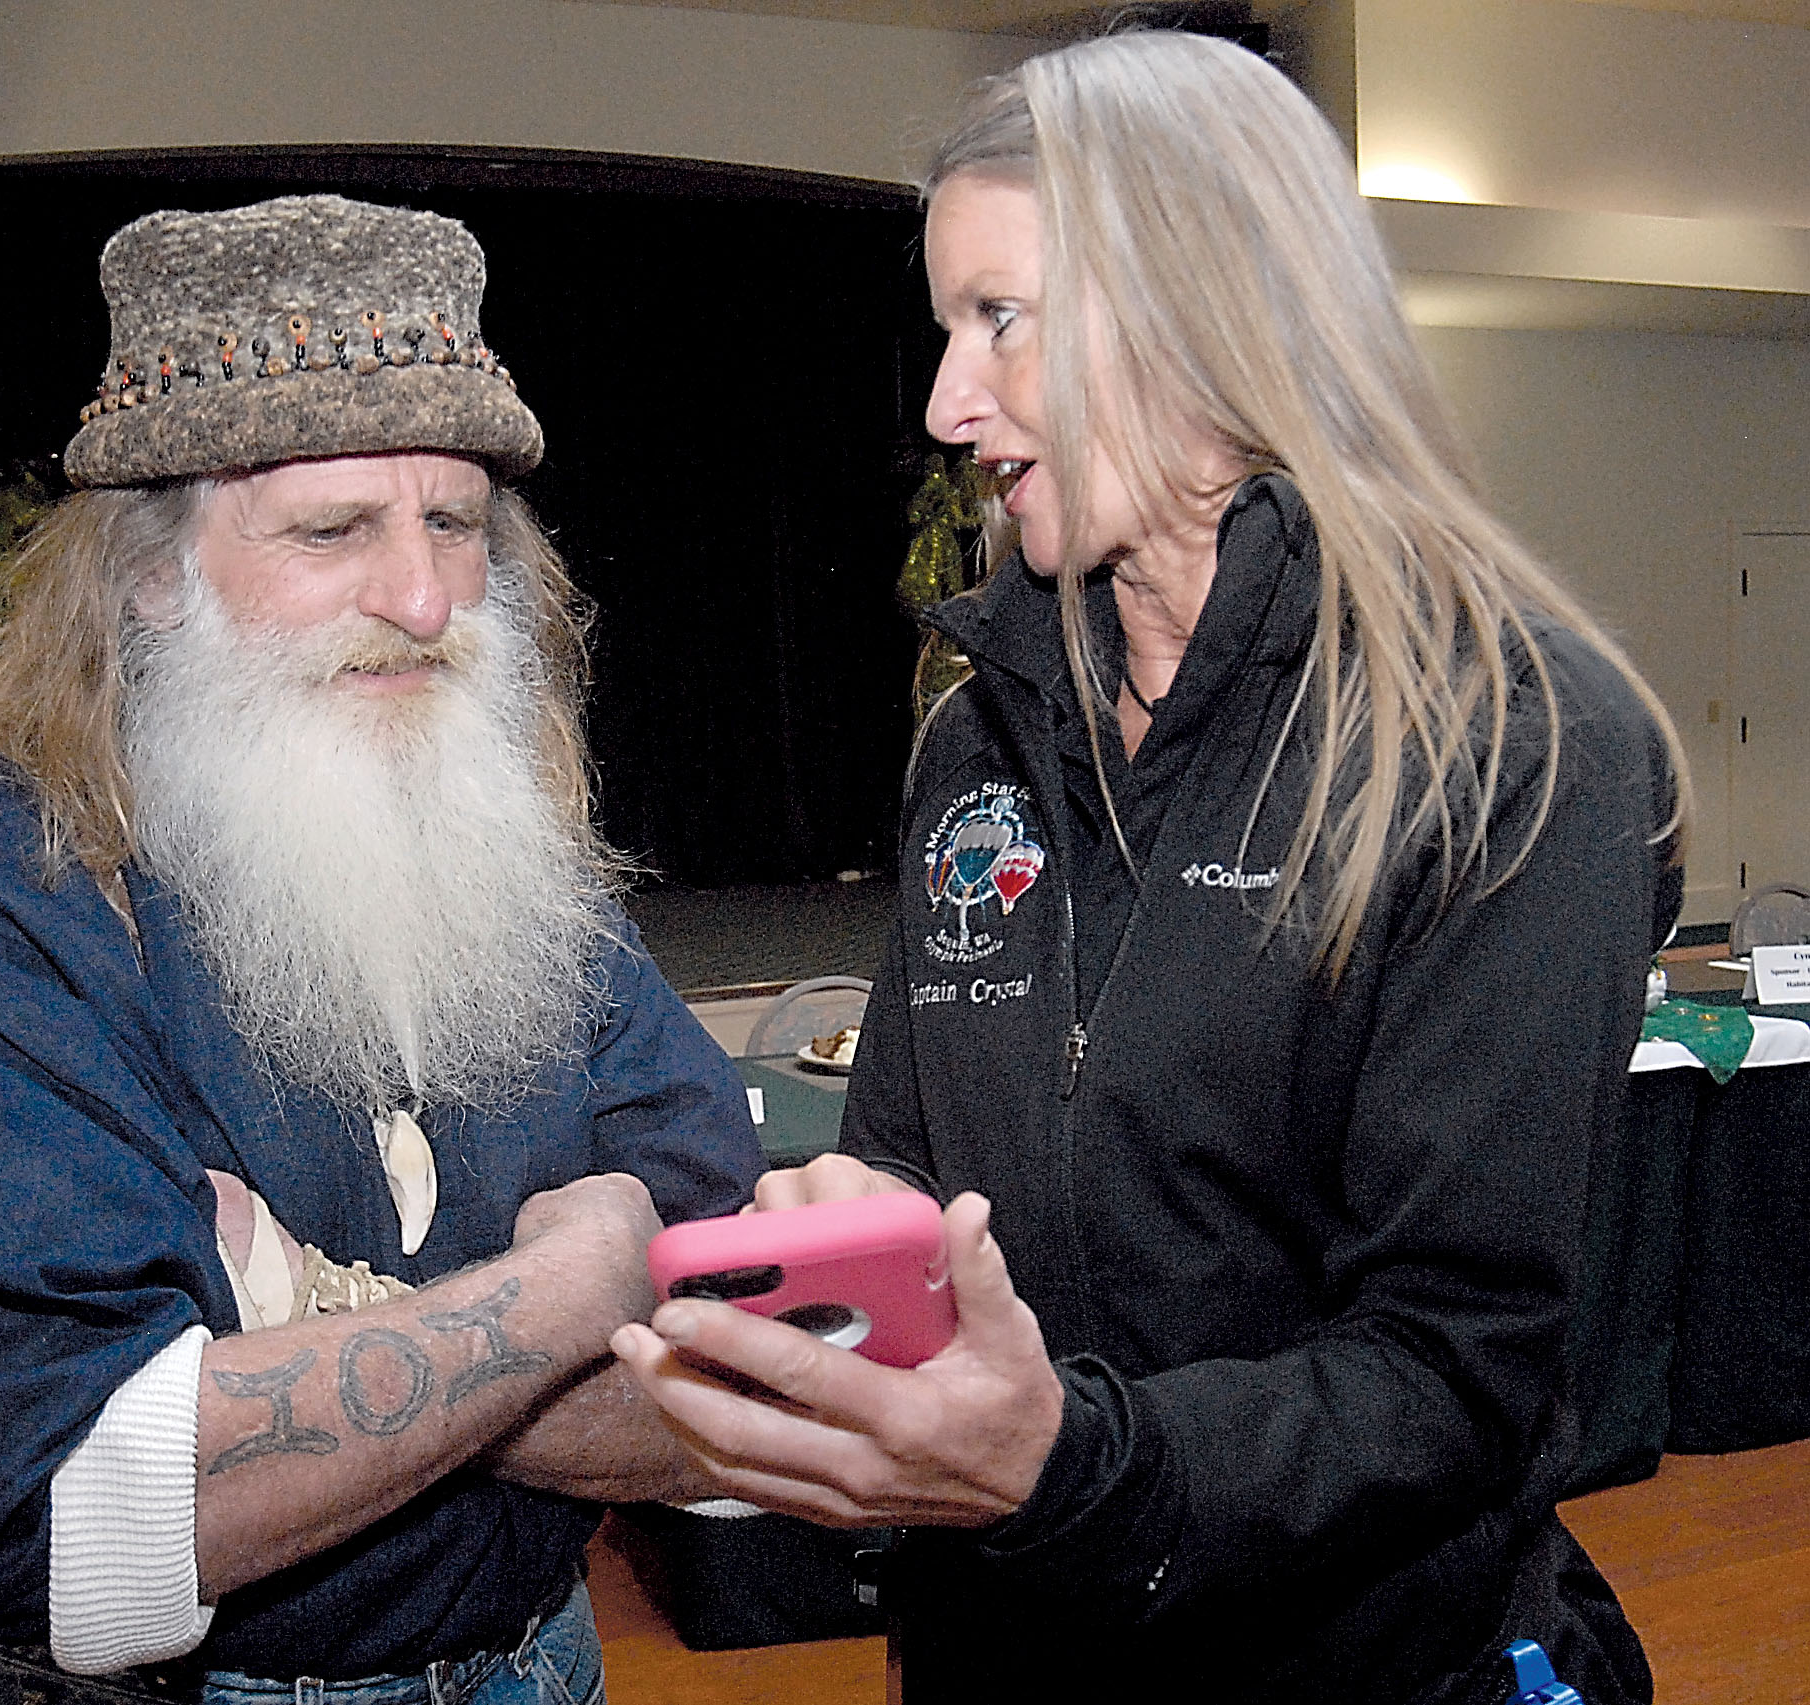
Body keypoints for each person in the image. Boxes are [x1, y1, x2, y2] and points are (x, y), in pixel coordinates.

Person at [613, 32, 1680, 1704]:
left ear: (1205, 306)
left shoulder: (1511, 746)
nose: (948, 403)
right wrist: (836, 1254)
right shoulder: (985, 736)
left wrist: (1062, 1466)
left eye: (1001, 320)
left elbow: (1455, 1375)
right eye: (948, 328)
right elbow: (911, 1154)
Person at [0, 194, 763, 1705]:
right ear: (152, 573)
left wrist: (301, 1314)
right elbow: (89, 1533)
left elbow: (752, 1398)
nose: (423, 599)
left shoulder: (521, 883)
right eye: (330, 530)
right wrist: (571, 1295)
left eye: (454, 523)